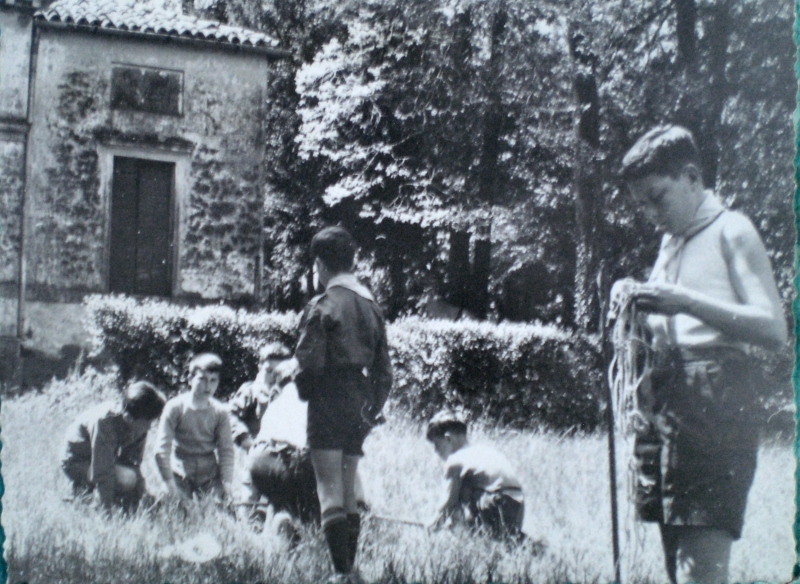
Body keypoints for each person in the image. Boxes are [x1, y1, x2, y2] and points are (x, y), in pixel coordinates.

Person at [614, 125, 787, 584]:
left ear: (692, 177)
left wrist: (686, 303)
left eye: (658, 197)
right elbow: (665, 321)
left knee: (701, 573)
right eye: (641, 205)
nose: (651, 214)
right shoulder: (670, 240)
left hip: (717, 401)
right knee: (679, 570)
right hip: (668, 403)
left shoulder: (733, 230)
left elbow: (773, 329)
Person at [276, 225, 393, 582]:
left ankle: (341, 573)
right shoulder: (372, 306)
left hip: (328, 398)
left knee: (328, 490)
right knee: (347, 488)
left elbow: (308, 363)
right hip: (360, 398)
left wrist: (302, 389)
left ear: (320, 265)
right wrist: (372, 408)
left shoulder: (322, 305)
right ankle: (352, 569)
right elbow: (384, 370)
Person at [230, 342, 369, 531]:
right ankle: (298, 523)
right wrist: (360, 503)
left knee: (280, 495)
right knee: (315, 518)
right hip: (295, 460)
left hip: (259, 460)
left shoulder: (278, 399)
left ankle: (279, 519)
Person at [61, 380, 166, 512]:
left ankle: (83, 497)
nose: (150, 427)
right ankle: (86, 497)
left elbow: (133, 464)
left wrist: (142, 497)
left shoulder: (138, 426)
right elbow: (103, 471)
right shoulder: (105, 423)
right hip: (76, 462)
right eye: (147, 422)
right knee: (126, 479)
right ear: (129, 418)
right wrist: (107, 511)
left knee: (130, 477)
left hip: (99, 460)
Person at [425, 410, 525, 541]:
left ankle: (468, 541)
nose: (435, 451)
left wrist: (433, 524)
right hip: (517, 504)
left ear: (448, 438)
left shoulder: (455, 460)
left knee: (457, 500)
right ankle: (521, 542)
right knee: (507, 540)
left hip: (494, 502)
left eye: (436, 445)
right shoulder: (485, 451)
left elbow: (448, 503)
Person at [155, 353, 235, 500]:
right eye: (202, 379)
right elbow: (161, 449)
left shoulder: (220, 412)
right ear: (190, 379)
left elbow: (226, 451)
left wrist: (227, 484)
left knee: (218, 509)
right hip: (180, 472)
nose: (208, 386)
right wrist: (169, 483)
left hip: (209, 476)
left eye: (213, 381)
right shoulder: (175, 407)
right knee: (170, 502)